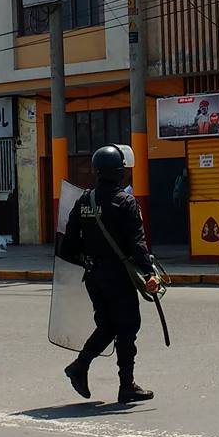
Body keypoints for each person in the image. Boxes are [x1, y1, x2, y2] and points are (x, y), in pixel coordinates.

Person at [58, 145, 159, 403]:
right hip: (118, 277)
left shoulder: (84, 201)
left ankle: (79, 367)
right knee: (127, 327)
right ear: (119, 172)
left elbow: (68, 244)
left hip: (93, 276)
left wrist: (90, 260)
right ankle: (127, 386)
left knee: (107, 326)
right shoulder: (125, 202)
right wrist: (149, 274)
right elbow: (138, 243)